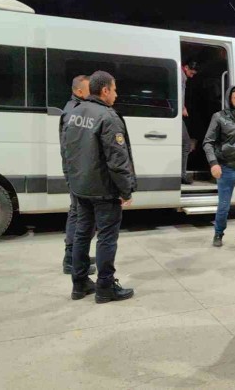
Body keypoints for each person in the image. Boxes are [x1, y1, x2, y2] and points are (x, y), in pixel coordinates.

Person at [61, 71, 136, 304]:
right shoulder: (108, 117)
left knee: (82, 233)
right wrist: (126, 190)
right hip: (104, 189)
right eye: (114, 89)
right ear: (105, 90)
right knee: (106, 237)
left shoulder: (74, 113)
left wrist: (71, 181)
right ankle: (105, 287)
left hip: (80, 187)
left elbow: (66, 151)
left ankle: (79, 283)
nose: (116, 94)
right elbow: (117, 160)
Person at [202, 85, 235, 249]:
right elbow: (208, 142)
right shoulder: (219, 117)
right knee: (224, 205)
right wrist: (213, 163)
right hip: (225, 166)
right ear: (229, 100)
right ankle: (218, 233)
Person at [61, 75, 95, 276]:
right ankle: (71, 259)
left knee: (78, 212)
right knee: (79, 214)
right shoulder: (75, 112)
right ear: (79, 91)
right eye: (90, 89)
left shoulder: (74, 108)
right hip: (77, 171)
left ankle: (77, 256)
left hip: (76, 169)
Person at [181, 59, 198, 185]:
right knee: (186, 144)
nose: (192, 76)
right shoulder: (181, 76)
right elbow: (179, 94)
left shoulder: (181, 75)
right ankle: (182, 175)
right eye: (191, 73)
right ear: (186, 67)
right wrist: (182, 108)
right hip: (178, 116)